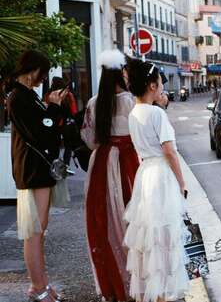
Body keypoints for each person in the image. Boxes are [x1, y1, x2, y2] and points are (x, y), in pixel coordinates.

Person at [123, 58, 189, 302]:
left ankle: (156, 293)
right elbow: (169, 151)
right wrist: (181, 183)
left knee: (150, 236)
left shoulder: (134, 113)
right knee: (164, 235)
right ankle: (162, 295)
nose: (162, 87)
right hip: (161, 174)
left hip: (145, 174)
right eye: (160, 82)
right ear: (152, 85)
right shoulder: (156, 114)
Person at [7, 50, 70, 302]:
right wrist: (53, 108)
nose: (42, 79)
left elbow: (46, 127)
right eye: (42, 74)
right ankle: (37, 287)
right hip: (31, 170)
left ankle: (41, 284)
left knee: (39, 230)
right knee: (34, 232)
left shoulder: (26, 96)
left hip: (38, 169)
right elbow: (41, 132)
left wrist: (50, 110)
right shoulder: (17, 97)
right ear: (33, 70)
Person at [80, 50, 140, 302]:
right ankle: (137, 281)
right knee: (134, 220)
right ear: (121, 73)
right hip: (128, 163)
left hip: (102, 165)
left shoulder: (94, 103)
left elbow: (90, 139)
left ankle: (113, 283)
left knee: (104, 222)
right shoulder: (131, 102)